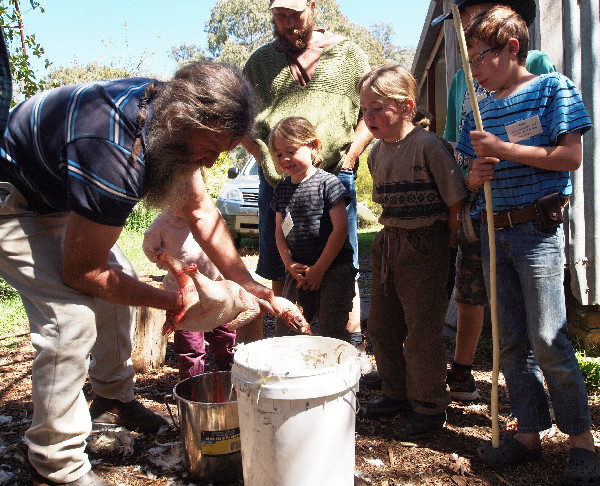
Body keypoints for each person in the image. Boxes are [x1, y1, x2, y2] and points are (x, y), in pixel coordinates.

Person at [0, 61, 274, 486]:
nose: (215, 159)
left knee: (121, 282)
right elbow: (83, 271)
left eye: (225, 150)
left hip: (57, 193)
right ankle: (55, 464)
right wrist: (175, 301)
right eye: (211, 148)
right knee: (69, 317)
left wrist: (246, 282)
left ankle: (111, 396)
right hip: (15, 199)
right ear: (185, 119)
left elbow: (201, 210)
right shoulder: (114, 152)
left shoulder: (170, 119)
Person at [455, 7, 599, 482]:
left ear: (511, 47)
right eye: (470, 59)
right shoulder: (479, 105)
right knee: (512, 341)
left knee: (549, 337)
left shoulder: (550, 90)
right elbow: (470, 175)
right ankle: (528, 433)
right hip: (495, 232)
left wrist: (504, 149)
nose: (473, 68)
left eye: (479, 57)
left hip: (537, 232)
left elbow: (570, 157)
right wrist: (475, 176)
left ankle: (582, 442)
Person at [433, 0, 556, 402]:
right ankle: (464, 369)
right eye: (465, 19)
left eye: (478, 16)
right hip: (480, 204)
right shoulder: (460, 80)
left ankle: (541, 404)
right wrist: (466, 184)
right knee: (473, 288)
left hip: (529, 208)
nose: (470, 24)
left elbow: (554, 137)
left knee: (535, 320)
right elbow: (457, 141)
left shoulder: (538, 65)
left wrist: (505, 149)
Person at [242, 0, 374, 367]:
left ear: (312, 7)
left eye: (295, 15)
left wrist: (351, 155)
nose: (288, 24)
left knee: (344, 264)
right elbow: (239, 117)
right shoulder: (258, 63)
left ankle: (353, 346)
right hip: (279, 181)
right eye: (279, 16)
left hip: (334, 174)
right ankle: (285, 343)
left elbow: (369, 108)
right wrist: (262, 157)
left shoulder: (347, 55)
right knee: (278, 263)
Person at [359, 64, 468, 438]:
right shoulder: (376, 153)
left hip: (426, 244)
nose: (368, 117)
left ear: (406, 107)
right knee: (382, 324)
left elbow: (455, 204)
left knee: (421, 331)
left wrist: (448, 250)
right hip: (389, 243)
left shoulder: (429, 146)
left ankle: (428, 407)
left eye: (377, 108)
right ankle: (396, 391)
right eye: (365, 109)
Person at [268, 116, 355, 339]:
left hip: (333, 269)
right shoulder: (281, 189)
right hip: (299, 273)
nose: (285, 158)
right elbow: (279, 231)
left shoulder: (328, 183)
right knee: (288, 327)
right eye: (279, 154)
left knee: (331, 331)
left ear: (313, 146)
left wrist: (320, 269)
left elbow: (340, 229)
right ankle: (293, 371)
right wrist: (289, 265)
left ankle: (335, 371)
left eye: (292, 150)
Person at [143, 207, 236, 380]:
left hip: (215, 290)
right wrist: (166, 264)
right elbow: (149, 247)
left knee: (224, 339)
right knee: (190, 347)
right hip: (183, 296)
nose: (184, 204)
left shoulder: (209, 213)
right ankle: (192, 388)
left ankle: (231, 382)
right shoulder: (162, 223)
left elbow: (222, 240)